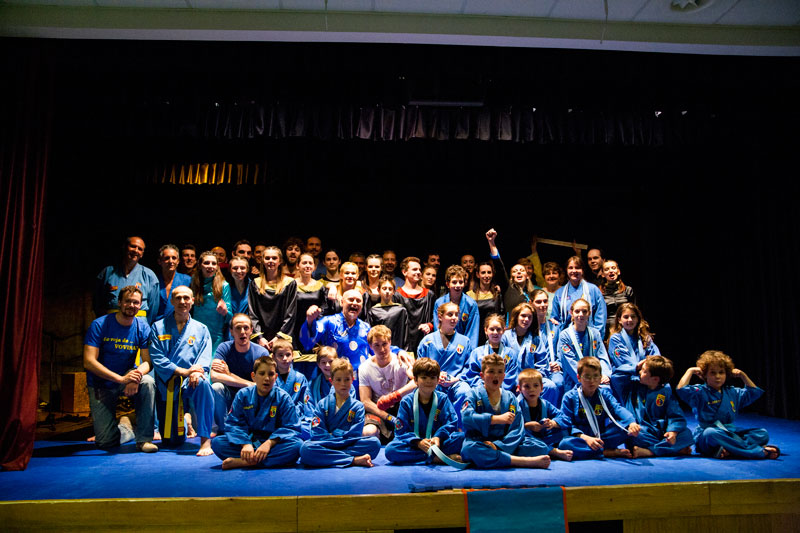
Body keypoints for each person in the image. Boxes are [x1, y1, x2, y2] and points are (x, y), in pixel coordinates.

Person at [83, 285, 157, 452]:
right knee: (106, 443)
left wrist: (135, 375)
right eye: (128, 302)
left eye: (136, 303)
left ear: (140, 305)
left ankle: (144, 439)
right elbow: (89, 361)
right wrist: (120, 379)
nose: (132, 305)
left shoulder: (142, 326)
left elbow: (147, 362)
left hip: (126, 376)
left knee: (148, 382)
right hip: (101, 383)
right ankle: (126, 427)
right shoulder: (100, 324)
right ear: (119, 303)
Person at [676, 350, 780, 460]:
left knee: (762, 434)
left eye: (721, 372)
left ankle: (729, 450)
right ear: (704, 374)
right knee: (710, 433)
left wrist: (742, 375)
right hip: (708, 435)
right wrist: (690, 371)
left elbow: (753, 392)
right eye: (712, 372)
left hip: (729, 432)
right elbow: (681, 389)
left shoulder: (732, 392)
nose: (717, 376)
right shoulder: (699, 392)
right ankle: (757, 452)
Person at [149, 286, 215, 456]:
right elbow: (157, 358)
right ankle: (186, 420)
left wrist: (195, 372)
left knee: (204, 384)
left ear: (192, 301)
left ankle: (205, 440)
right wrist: (184, 371)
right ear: (172, 301)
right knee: (172, 441)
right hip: (167, 383)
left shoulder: (201, 329)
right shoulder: (158, 327)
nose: (182, 301)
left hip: (191, 381)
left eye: (186, 298)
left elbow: (204, 357)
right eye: (178, 298)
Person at [211, 355, 303, 469]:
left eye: (270, 374)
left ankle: (245, 462)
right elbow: (234, 424)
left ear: (275, 377)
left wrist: (269, 443)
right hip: (249, 440)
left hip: (273, 443)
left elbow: (290, 427)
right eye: (262, 373)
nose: (266, 378)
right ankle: (260, 460)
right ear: (253, 376)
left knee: (297, 446)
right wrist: (245, 443)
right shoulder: (243, 395)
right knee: (217, 443)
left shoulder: (283, 398)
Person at [460, 354, 551, 469]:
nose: (496, 376)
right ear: (482, 376)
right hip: (481, 442)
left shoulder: (510, 397)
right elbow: (466, 417)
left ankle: (495, 457)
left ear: (504, 376)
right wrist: (495, 419)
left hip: (504, 443)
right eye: (491, 371)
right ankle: (520, 461)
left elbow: (517, 428)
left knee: (540, 447)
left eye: (499, 372)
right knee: (469, 449)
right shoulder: (473, 394)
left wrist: (498, 446)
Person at [300, 358, 381, 467]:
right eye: (338, 380)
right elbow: (317, 432)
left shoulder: (357, 406)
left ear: (352, 380)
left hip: (347, 443)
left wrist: (334, 434)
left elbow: (355, 434)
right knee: (306, 449)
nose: (343, 384)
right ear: (331, 381)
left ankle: (330, 458)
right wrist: (337, 436)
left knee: (374, 443)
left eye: (347, 379)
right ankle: (354, 460)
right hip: (327, 443)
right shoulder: (322, 404)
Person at [384, 358, 466, 465]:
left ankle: (424, 457)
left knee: (462, 438)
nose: (428, 381)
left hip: (438, 443)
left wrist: (438, 437)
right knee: (391, 450)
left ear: (437, 380)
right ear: (416, 380)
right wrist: (417, 442)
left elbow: (451, 423)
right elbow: (400, 431)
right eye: (424, 377)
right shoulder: (406, 402)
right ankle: (437, 458)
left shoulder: (443, 399)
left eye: (432, 378)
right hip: (415, 445)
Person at [558, 357, 640, 460]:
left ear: (601, 378)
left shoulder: (604, 395)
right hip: (581, 438)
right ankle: (605, 452)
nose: (592, 381)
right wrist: (586, 438)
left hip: (601, 436)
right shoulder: (569, 397)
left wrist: (632, 422)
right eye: (587, 377)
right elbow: (567, 424)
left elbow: (618, 409)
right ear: (579, 378)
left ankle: (594, 450)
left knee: (626, 428)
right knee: (565, 444)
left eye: (595, 376)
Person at [613, 355, 693, 458]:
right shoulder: (630, 386)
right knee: (632, 434)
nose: (640, 372)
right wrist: (636, 367)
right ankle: (670, 449)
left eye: (644, 371)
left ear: (655, 379)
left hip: (660, 433)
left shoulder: (665, 392)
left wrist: (673, 432)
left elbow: (676, 416)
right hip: (641, 432)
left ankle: (649, 452)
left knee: (687, 434)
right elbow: (616, 376)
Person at [210, 314, 269, 434]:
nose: (242, 332)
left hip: (251, 398)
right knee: (216, 387)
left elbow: (262, 383)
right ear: (231, 331)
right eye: (238, 328)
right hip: (230, 395)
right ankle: (224, 430)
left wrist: (229, 374)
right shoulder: (224, 348)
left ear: (251, 330)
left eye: (246, 328)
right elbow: (214, 376)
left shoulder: (261, 352)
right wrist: (248, 383)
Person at [359, 325, 416, 440]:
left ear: (390, 342)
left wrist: (394, 396)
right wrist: (388, 417)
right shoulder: (364, 367)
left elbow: (417, 381)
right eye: (377, 345)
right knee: (368, 432)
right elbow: (365, 401)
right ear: (370, 346)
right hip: (378, 409)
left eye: (384, 344)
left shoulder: (402, 360)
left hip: (401, 406)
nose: (382, 349)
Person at [301, 289, 371, 382]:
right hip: (334, 382)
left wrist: (397, 352)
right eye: (351, 299)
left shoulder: (366, 327)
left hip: (361, 383)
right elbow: (308, 343)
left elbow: (379, 348)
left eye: (358, 301)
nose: (354, 303)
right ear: (342, 302)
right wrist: (309, 321)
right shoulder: (329, 322)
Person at [416, 302, 473, 417]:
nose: (454, 318)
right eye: (450, 314)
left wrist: (456, 379)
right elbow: (419, 367)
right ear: (440, 316)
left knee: (465, 392)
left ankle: (457, 426)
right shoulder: (428, 341)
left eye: (456, 315)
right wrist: (434, 375)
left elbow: (469, 367)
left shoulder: (465, 341)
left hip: (456, 382)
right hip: (432, 381)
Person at [500, 302, 560, 404]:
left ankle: (544, 414)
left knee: (551, 386)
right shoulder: (505, 337)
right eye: (523, 316)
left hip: (531, 380)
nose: (526, 320)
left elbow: (542, 365)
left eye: (530, 317)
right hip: (510, 380)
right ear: (516, 317)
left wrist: (531, 382)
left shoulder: (535, 340)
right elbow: (500, 364)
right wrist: (516, 382)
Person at [94, 236, 160, 325]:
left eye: (140, 249)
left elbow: (153, 308)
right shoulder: (107, 272)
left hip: (138, 324)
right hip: (110, 323)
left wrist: (144, 325)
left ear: (142, 254)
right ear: (124, 247)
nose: (136, 250)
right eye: (133, 246)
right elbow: (97, 302)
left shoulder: (149, 276)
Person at [248, 245, 298, 350]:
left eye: (274, 258)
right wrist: (260, 337)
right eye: (267, 258)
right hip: (261, 341)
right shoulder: (255, 283)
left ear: (280, 261)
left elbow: (291, 314)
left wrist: (278, 337)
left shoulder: (290, 283)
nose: (271, 261)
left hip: (282, 339)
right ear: (262, 261)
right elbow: (253, 313)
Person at [557, 298, 612, 392]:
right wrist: (587, 380)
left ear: (589, 313)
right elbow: (570, 363)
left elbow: (602, 357)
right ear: (571, 313)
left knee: (606, 390)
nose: (581, 315)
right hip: (575, 380)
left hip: (595, 378)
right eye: (577, 311)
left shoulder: (595, 334)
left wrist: (605, 374)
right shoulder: (565, 335)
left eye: (584, 311)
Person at [517, 369, 573, 461]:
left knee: (565, 433)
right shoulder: (517, 404)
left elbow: (565, 418)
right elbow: (510, 426)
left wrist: (553, 423)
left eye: (536, 386)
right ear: (519, 389)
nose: (532, 390)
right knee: (521, 438)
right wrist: (526, 426)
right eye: (527, 386)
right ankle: (553, 451)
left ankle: (545, 449)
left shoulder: (545, 404)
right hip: (528, 440)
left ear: (542, 388)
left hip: (545, 438)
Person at [607, 303, 659, 400]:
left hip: (645, 374)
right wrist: (642, 366)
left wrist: (648, 368)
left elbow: (655, 357)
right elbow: (622, 362)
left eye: (633, 317)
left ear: (638, 318)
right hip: (625, 377)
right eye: (626, 317)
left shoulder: (645, 337)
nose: (630, 320)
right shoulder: (616, 338)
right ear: (619, 320)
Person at [293, 252, 332, 374]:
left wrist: (314, 317)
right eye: (304, 262)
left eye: (310, 263)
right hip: (295, 328)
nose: (307, 265)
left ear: (314, 267)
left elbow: (325, 307)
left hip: (314, 329)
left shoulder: (320, 286)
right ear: (297, 266)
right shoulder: (291, 285)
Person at [485, 229, 537, 319]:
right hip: (511, 330)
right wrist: (492, 242)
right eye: (515, 271)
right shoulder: (508, 288)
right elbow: (499, 266)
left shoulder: (532, 293)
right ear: (511, 277)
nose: (519, 272)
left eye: (521, 270)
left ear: (527, 276)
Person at [551, 256, 607, 337]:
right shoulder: (560, 293)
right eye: (570, 268)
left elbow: (600, 318)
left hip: (589, 337)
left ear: (583, 270)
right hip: (566, 338)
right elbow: (555, 320)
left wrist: (595, 338)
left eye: (577, 268)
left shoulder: (593, 290)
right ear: (566, 270)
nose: (574, 271)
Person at [190, 251, 232, 354]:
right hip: (196, 333)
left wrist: (225, 312)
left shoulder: (223, 285)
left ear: (217, 266)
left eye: (214, 263)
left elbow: (230, 317)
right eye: (206, 263)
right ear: (200, 265)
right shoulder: (194, 282)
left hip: (215, 335)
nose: (210, 266)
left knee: (212, 366)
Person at [465, 314, 520, 391]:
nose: (495, 332)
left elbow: (511, 377)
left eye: (498, 329)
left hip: (504, 393)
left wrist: (498, 389)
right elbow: (472, 375)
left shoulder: (511, 354)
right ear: (485, 330)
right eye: (492, 329)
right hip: (482, 392)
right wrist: (485, 388)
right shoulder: (476, 353)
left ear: (503, 331)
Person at [395, 256, 437, 353]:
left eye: (419, 270)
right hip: (404, 344)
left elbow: (436, 317)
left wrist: (430, 325)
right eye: (414, 269)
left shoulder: (429, 295)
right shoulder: (397, 295)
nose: (418, 272)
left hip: (425, 342)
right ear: (404, 272)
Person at [527, 290, 564, 401]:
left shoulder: (555, 326)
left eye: (545, 301)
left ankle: (556, 415)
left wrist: (559, 364)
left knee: (559, 382)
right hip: (533, 369)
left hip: (553, 369)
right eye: (538, 302)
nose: (543, 305)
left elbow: (561, 351)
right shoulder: (526, 327)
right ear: (531, 303)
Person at [433, 265, 480, 350]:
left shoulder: (471, 304)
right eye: (454, 282)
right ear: (447, 284)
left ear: (465, 283)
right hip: (443, 347)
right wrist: (443, 347)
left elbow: (472, 332)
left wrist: (467, 351)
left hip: (463, 348)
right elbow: (438, 327)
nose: (458, 285)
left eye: (461, 282)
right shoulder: (439, 303)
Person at [366, 276, 408, 354]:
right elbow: (370, 335)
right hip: (379, 352)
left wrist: (404, 351)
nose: (387, 291)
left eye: (390, 289)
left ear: (394, 291)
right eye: (384, 288)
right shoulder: (373, 311)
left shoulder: (401, 310)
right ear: (379, 290)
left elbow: (405, 335)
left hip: (398, 352)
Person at [272, 338, 311, 422]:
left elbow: (305, 401)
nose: (285, 358)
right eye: (280, 355)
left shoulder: (300, 378)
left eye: (288, 354)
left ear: (293, 355)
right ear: (273, 357)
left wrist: (292, 412)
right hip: (275, 419)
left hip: (296, 418)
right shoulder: (270, 378)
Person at [466, 261, 502, 346]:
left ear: (492, 274)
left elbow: (500, 315)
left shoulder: (497, 293)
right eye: (483, 272)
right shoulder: (469, 295)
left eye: (489, 272)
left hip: (492, 335)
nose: (486, 276)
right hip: (475, 335)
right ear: (478, 275)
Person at [154, 244, 192, 323]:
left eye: (174, 258)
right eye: (167, 258)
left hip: (180, 324)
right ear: (159, 261)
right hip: (157, 326)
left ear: (178, 261)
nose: (171, 261)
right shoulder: (154, 281)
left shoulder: (187, 280)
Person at [600, 260, 636, 335]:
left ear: (618, 271)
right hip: (607, 329)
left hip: (626, 327)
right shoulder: (599, 292)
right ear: (603, 274)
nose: (611, 271)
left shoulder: (628, 290)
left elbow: (634, 312)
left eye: (613, 268)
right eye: (607, 269)